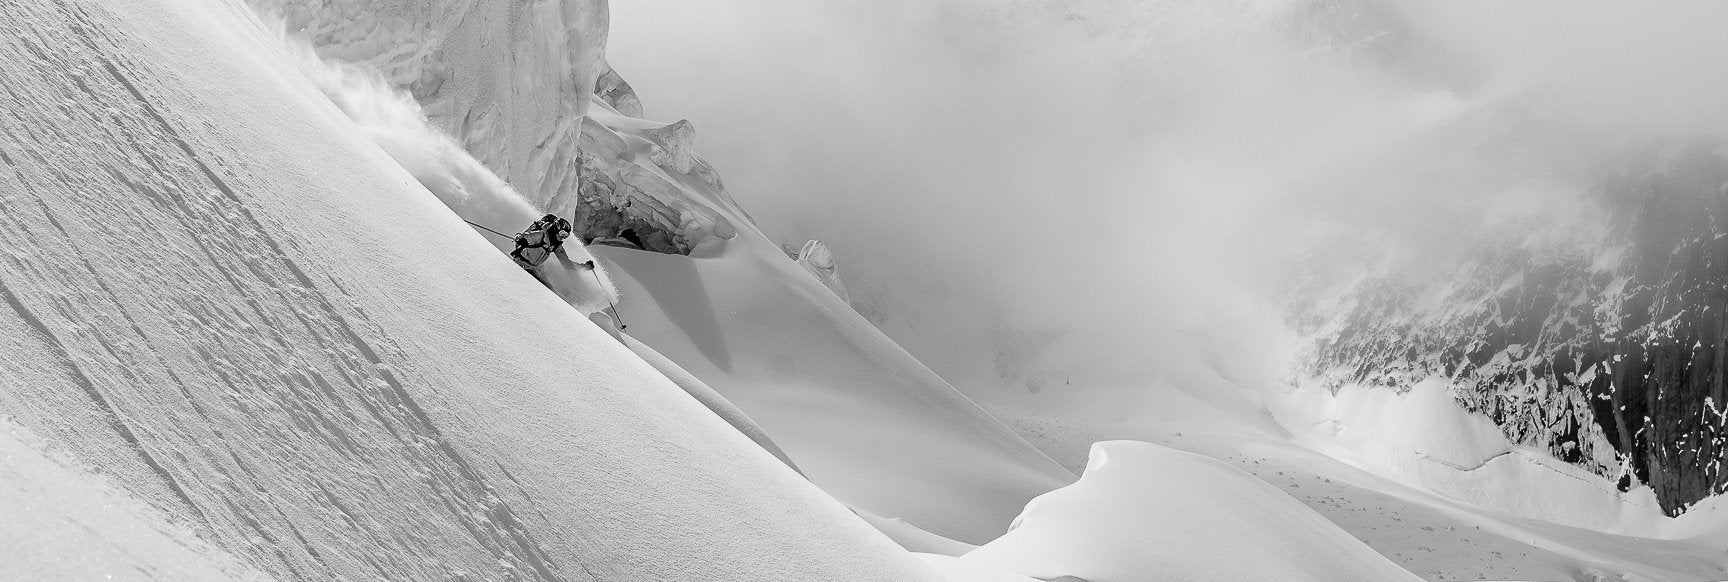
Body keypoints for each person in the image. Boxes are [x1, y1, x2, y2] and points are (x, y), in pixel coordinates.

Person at [510, 214, 591, 285]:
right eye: (562, 233)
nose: (562, 237)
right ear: (556, 228)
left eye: (565, 235)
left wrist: (584, 266)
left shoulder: (556, 245)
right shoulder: (541, 234)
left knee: (549, 288)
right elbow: (523, 236)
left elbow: (567, 264)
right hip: (520, 262)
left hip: (534, 268)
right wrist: (521, 240)